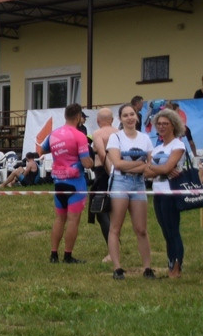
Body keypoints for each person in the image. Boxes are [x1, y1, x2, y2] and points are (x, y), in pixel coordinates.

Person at [41, 103, 95, 264]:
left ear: (65, 116)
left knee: (59, 219)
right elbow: (86, 163)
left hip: (58, 181)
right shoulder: (80, 136)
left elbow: (42, 150)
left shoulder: (54, 134)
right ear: (78, 117)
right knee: (73, 220)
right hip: (75, 182)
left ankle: (53, 254)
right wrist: (92, 161)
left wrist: (60, 152)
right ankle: (68, 255)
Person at [106, 103, 154, 279]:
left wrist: (135, 167)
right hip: (120, 183)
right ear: (121, 119)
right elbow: (117, 164)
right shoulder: (115, 138)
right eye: (125, 115)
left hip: (139, 184)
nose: (129, 118)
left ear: (137, 116)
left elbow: (150, 167)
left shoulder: (145, 138)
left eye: (132, 114)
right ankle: (117, 268)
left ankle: (147, 268)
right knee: (115, 227)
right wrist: (140, 165)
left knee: (141, 229)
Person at [145, 108, 188, 278]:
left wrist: (157, 169)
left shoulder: (178, 145)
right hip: (158, 193)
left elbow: (165, 167)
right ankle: (171, 263)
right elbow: (146, 173)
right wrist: (161, 170)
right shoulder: (157, 149)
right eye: (159, 124)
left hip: (171, 193)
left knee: (173, 230)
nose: (161, 127)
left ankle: (177, 266)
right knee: (165, 231)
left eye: (165, 124)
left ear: (173, 125)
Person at [88, 108, 117, 260]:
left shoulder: (98, 134)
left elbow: (102, 153)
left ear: (98, 121)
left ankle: (112, 251)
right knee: (111, 211)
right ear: (112, 120)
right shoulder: (119, 132)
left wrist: (110, 172)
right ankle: (114, 244)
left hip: (105, 174)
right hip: (117, 172)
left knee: (101, 211)